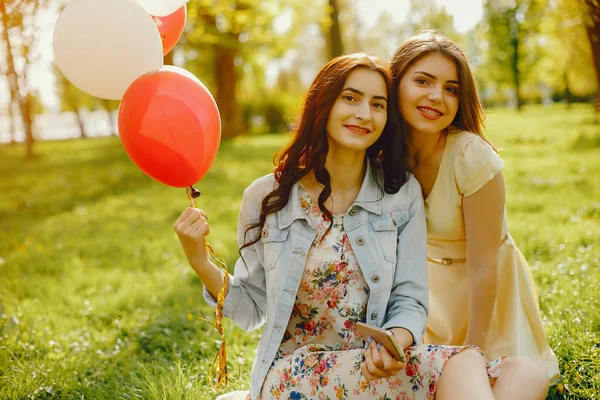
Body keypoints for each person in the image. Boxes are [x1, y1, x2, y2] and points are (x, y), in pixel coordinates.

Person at [175, 53, 537, 400]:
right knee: (465, 362)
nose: (364, 114)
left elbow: (410, 299)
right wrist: (201, 263)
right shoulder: (266, 196)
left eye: (378, 104)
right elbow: (250, 310)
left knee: (527, 374)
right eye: (351, 98)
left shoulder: (400, 194)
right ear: (324, 105)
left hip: (373, 364)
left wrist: (393, 339)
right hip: (296, 373)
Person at [390, 30, 561, 388]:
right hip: (428, 298)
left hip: (487, 298)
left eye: (451, 88)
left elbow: (484, 264)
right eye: (423, 81)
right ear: (395, 84)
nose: (436, 96)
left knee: (498, 379)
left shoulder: (471, 156)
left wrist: (475, 349)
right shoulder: (383, 156)